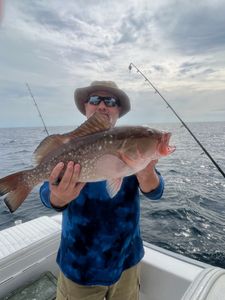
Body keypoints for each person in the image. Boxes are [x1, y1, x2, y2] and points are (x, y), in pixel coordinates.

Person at [40, 81, 164, 300]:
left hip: (127, 260)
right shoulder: (69, 145)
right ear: (86, 106)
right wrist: (57, 198)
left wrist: (146, 173)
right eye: (95, 100)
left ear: (118, 110)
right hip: (80, 267)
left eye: (111, 101)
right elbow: (46, 193)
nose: (102, 106)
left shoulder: (130, 142)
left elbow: (155, 192)